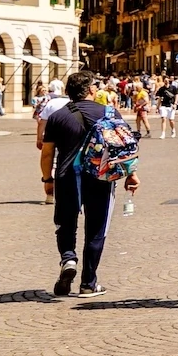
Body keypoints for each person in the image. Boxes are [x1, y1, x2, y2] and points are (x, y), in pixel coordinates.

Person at [39, 71, 140, 298]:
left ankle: (68, 259)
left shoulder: (58, 116)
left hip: (67, 176)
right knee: (96, 228)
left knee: (66, 222)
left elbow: (47, 154)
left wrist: (48, 179)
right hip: (100, 176)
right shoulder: (109, 112)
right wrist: (131, 175)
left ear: (68, 92)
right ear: (92, 90)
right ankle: (88, 283)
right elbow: (125, 147)